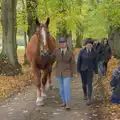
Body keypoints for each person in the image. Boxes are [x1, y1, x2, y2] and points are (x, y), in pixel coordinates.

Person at [50, 37, 76, 110]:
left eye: (63, 43)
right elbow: (50, 57)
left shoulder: (70, 52)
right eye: (60, 43)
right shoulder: (56, 51)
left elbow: (73, 63)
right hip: (59, 72)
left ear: (65, 43)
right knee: (61, 88)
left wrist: (74, 72)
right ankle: (63, 101)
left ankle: (67, 103)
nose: (62, 44)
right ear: (59, 44)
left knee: (66, 87)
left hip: (67, 72)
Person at [77, 38, 98, 105]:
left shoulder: (94, 52)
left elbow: (95, 62)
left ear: (92, 45)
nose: (89, 46)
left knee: (89, 84)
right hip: (83, 70)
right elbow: (79, 61)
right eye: (87, 45)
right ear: (85, 45)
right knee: (84, 84)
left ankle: (89, 99)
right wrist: (78, 70)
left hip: (90, 70)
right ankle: (85, 94)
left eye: (90, 45)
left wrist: (96, 71)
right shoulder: (81, 51)